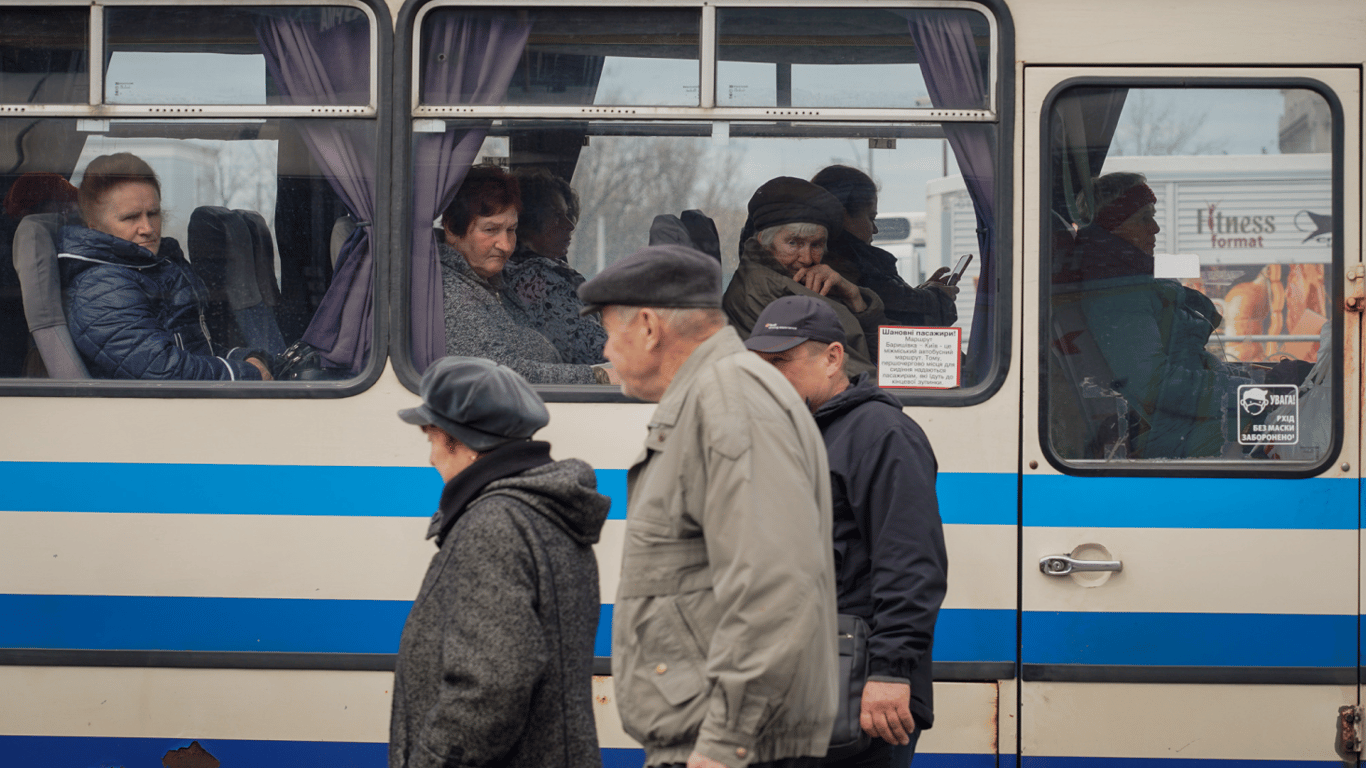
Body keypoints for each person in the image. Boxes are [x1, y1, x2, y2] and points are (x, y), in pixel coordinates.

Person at [578, 244, 839, 768]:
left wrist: (726, 742)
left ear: (650, 327)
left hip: (727, 749)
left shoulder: (728, 405)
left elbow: (774, 586)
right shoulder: (718, 397)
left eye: (609, 332)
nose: (605, 351)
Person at [746, 296, 948, 768]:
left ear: (833, 357)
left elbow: (911, 562)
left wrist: (890, 672)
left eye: (782, 362)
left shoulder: (881, 433)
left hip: (858, 684)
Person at [390, 355, 610, 768]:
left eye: (433, 439)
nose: (430, 457)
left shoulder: (494, 524)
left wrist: (433, 760)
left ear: (467, 445)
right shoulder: (545, 512)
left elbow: (491, 684)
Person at [1054, 172, 1254, 458]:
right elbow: (1156, 386)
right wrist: (1245, 392)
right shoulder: (1117, 292)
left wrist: (1243, 378)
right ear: (1114, 226)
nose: (1156, 228)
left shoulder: (1130, 280)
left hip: (1175, 423)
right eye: (1144, 218)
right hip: (1167, 434)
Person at [57, 153, 272, 380]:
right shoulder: (100, 289)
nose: (148, 227)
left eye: (153, 213)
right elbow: (162, 369)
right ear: (94, 227)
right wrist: (246, 374)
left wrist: (246, 358)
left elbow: (194, 350)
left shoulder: (152, 269)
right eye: (131, 217)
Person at [438, 165, 616, 384]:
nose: (505, 246)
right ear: (452, 228)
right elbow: (500, 373)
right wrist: (599, 377)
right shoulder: (452, 294)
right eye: (490, 230)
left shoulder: (491, 284)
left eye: (511, 230)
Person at [723, 176, 885, 378]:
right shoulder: (760, 292)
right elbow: (839, 374)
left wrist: (854, 296)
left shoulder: (800, 283)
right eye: (793, 243)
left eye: (816, 245)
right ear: (765, 242)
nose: (807, 258)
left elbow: (879, 357)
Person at [810, 165, 958, 327]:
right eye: (871, 217)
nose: (875, 229)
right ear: (843, 216)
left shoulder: (832, 261)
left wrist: (921, 292)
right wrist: (937, 297)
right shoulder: (852, 266)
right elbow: (898, 313)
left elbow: (893, 302)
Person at [502, 167, 609, 364]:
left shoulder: (518, 269)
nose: (569, 225)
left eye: (568, 214)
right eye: (557, 215)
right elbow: (596, 353)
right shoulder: (537, 279)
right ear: (529, 219)